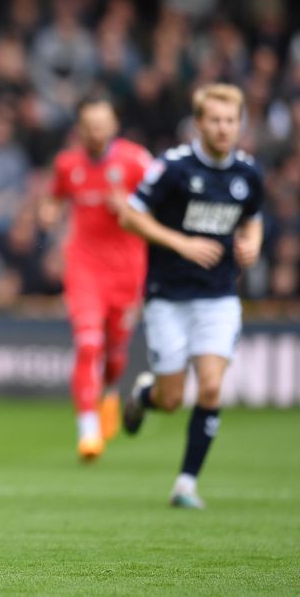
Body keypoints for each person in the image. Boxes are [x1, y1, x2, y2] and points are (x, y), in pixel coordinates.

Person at [119, 83, 264, 509]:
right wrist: (180, 243)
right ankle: (143, 397)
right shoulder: (174, 168)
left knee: (212, 388)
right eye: (215, 120)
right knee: (171, 399)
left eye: (230, 121)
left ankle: (185, 484)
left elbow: (252, 218)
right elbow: (129, 215)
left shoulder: (248, 173)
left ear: (239, 125)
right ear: (199, 123)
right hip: (168, 296)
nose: (223, 129)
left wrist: (251, 243)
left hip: (218, 296)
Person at [40, 95, 153, 462]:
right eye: (89, 126)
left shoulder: (137, 161)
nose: (95, 132)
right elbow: (54, 199)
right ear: (80, 128)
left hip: (127, 271)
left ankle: (109, 392)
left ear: (114, 125)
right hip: (84, 269)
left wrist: (131, 210)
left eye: (102, 124)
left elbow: (163, 207)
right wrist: (47, 215)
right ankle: (88, 431)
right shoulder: (67, 164)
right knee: (89, 344)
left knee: (115, 352)